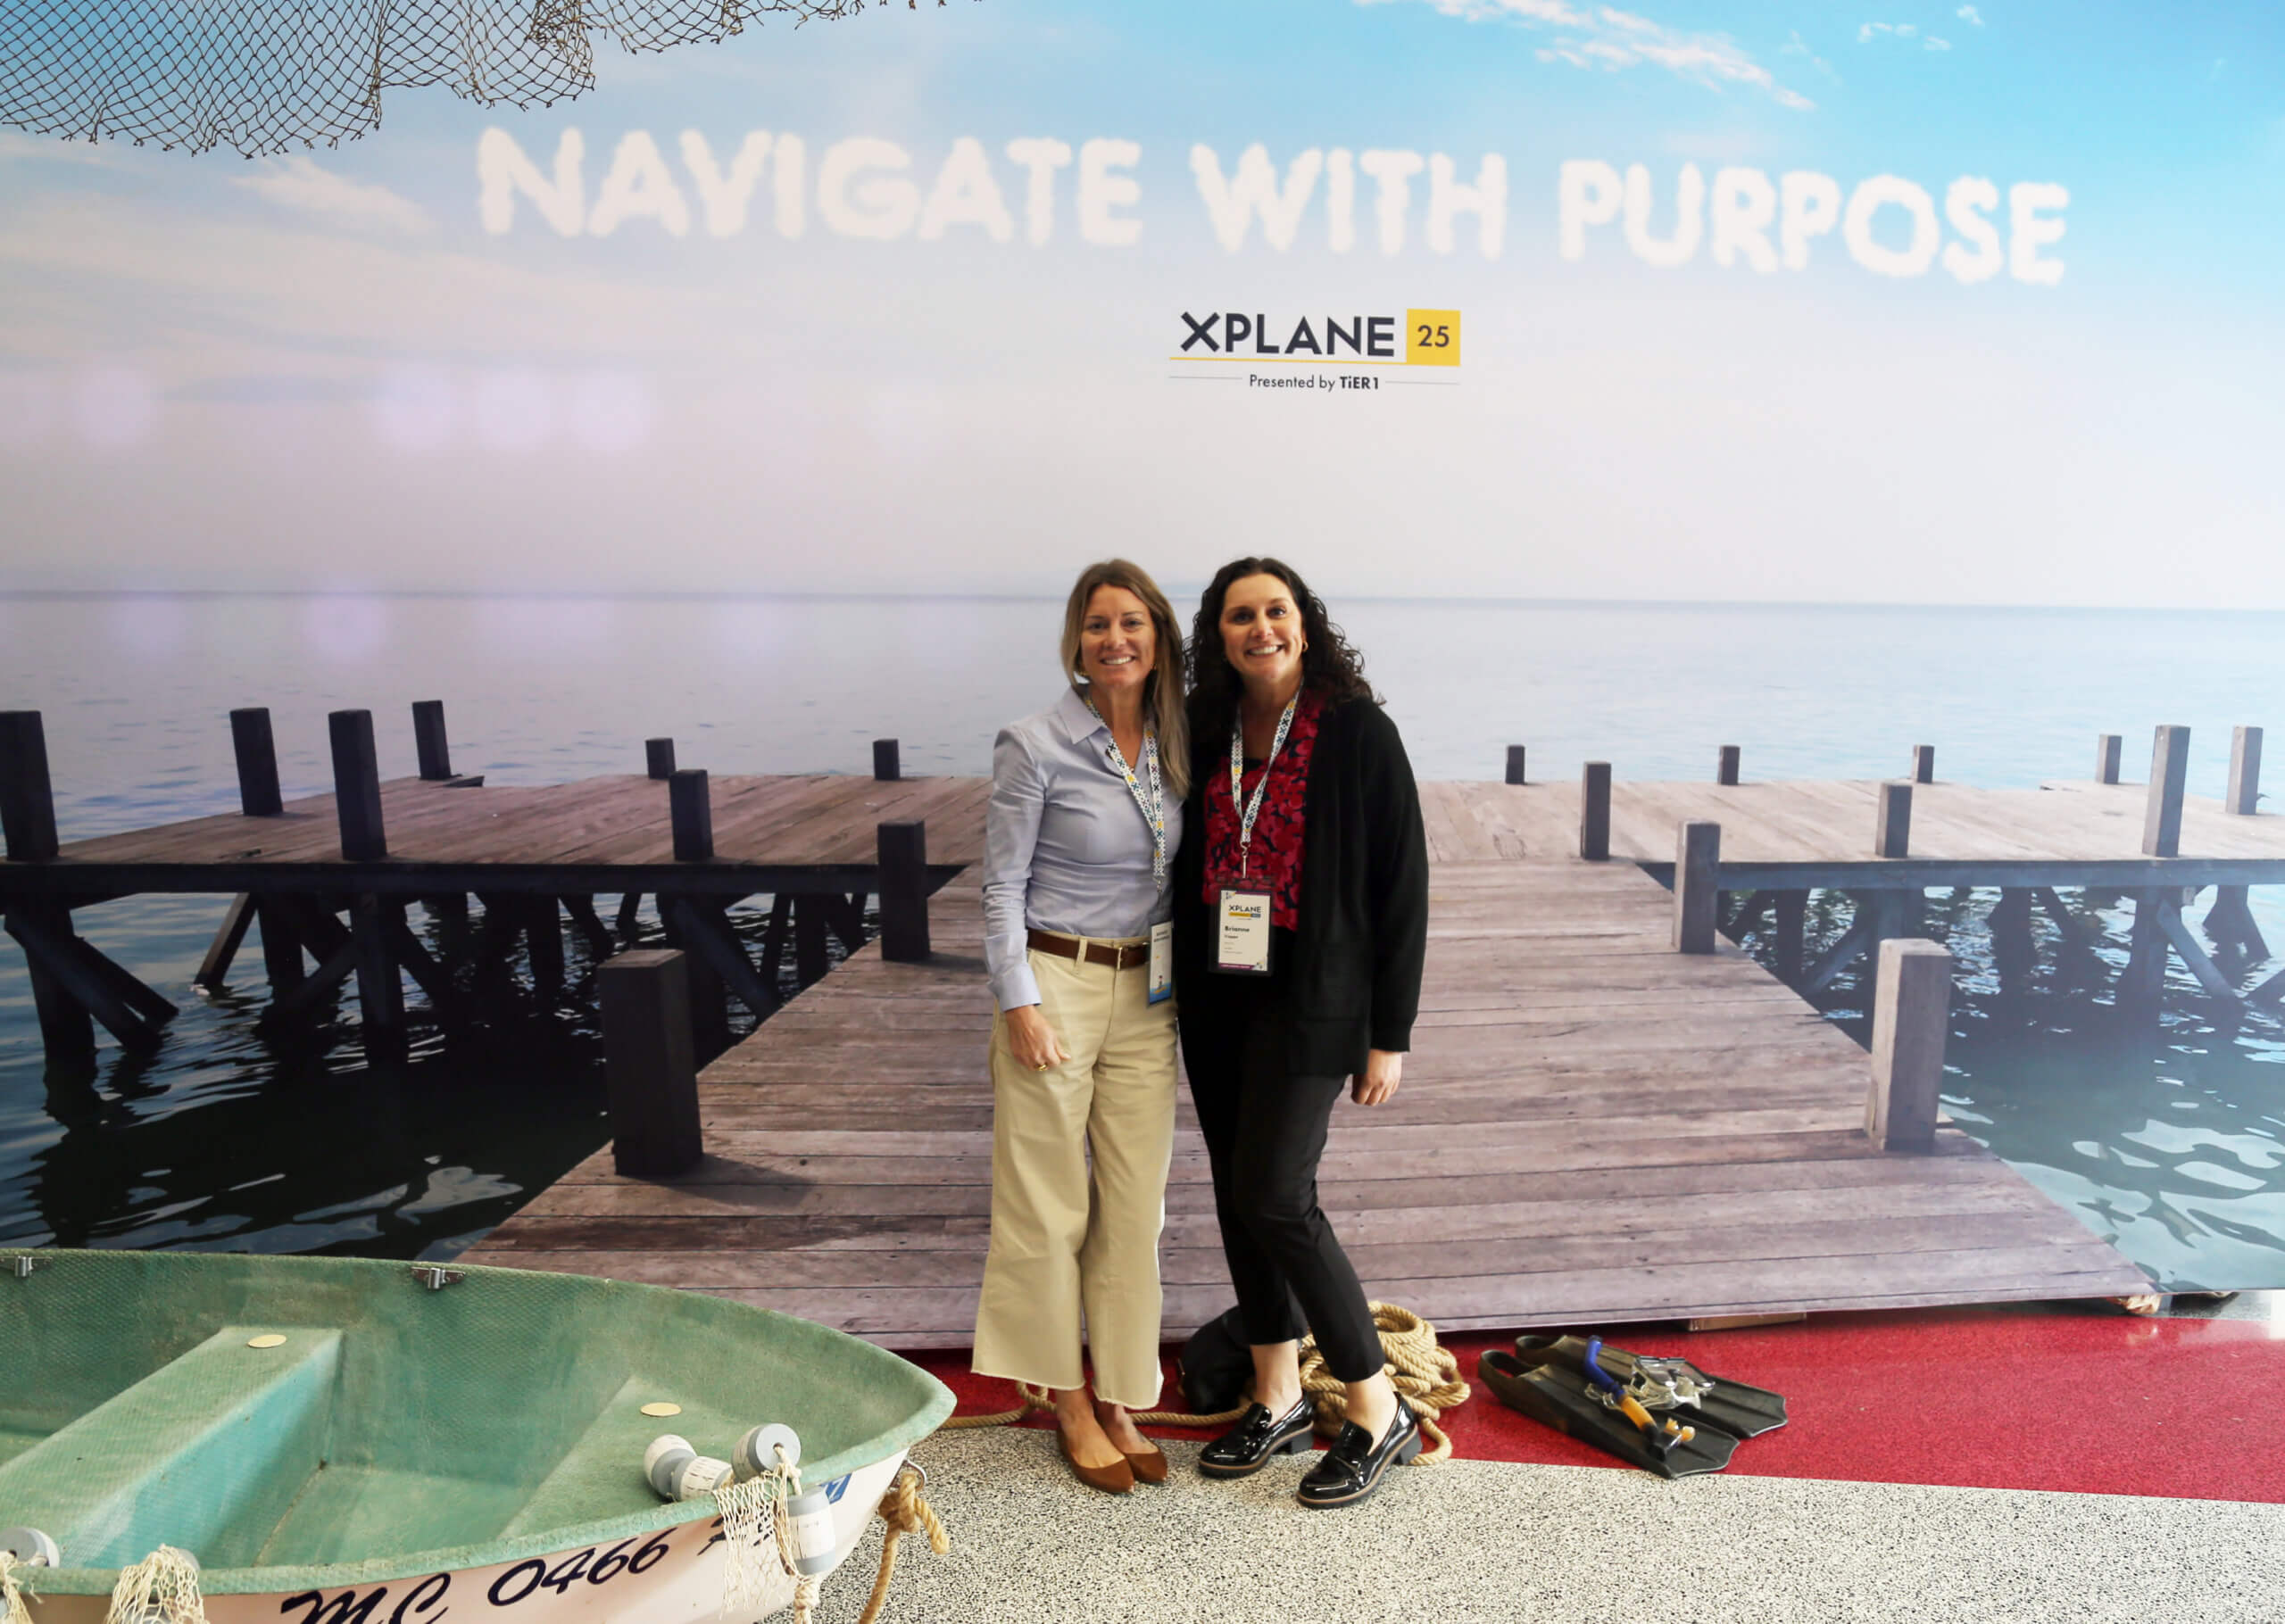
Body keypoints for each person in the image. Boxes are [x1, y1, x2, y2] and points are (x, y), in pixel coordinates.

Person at [1170, 556, 1430, 1510]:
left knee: (1277, 1193)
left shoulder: (1358, 730)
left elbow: (1403, 886)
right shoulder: (1205, 730)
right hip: (1217, 996)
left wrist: (1387, 1032)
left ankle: (1375, 1405)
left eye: (1276, 610)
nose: (1260, 627)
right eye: (1241, 615)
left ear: (1304, 624)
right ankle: (1277, 1393)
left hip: (1313, 998)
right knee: (1238, 1195)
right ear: (1220, 634)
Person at [973, 559, 1192, 1495]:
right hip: (1056, 980)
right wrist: (1016, 998)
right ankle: (1061, 1392)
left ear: (1157, 636)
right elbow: (1000, 885)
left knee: (1136, 1207)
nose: (1116, 639)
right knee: (1047, 1200)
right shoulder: (1034, 742)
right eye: (1098, 623)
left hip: (1150, 993)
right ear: (1076, 639)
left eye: (1132, 622)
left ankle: (1121, 1392)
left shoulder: (1175, 738)